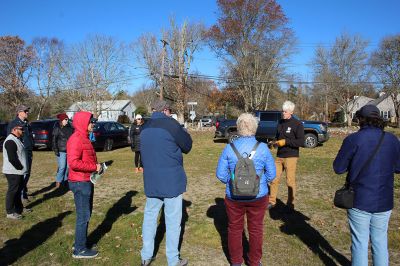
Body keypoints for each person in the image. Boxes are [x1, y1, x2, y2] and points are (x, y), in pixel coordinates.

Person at [333, 105, 400, 266]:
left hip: (359, 199)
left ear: (361, 120)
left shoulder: (353, 139)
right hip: (384, 199)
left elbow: (338, 168)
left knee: (359, 243)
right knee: (380, 242)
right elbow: (398, 167)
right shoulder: (392, 139)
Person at [216, 113, 276, 266]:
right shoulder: (263, 148)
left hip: (234, 197)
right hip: (259, 195)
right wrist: (261, 182)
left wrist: (234, 182)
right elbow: (272, 174)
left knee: (234, 229)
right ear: (255, 128)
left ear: (238, 128)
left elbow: (221, 175)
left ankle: (236, 262)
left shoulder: (229, 148)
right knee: (256, 229)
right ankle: (255, 261)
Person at [140, 100, 192, 266]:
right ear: (166, 111)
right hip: (171, 181)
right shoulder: (172, 125)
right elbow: (187, 145)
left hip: (151, 180)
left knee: (149, 217)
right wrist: (183, 130)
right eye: (169, 111)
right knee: (173, 221)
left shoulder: (145, 127)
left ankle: (146, 256)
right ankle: (172, 259)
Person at [67, 111, 101, 259]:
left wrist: (97, 167)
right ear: (82, 122)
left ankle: (79, 242)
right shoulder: (76, 139)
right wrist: (94, 167)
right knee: (83, 216)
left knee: (85, 215)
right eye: (91, 121)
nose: (93, 124)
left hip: (86, 180)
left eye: (93, 121)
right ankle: (79, 250)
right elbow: (73, 163)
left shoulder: (85, 138)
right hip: (80, 182)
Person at [268, 100, 304, 211]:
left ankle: (290, 204)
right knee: (274, 178)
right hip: (279, 156)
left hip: (291, 156)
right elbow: (277, 137)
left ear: (291, 112)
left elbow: (301, 142)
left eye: (285, 111)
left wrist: (286, 142)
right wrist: (273, 143)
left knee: (290, 181)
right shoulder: (280, 123)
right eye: (282, 111)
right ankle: (272, 201)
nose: (283, 113)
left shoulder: (297, 124)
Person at [7, 104, 34, 202]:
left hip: (29, 150)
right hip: (21, 152)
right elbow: (11, 140)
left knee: (27, 173)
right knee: (23, 174)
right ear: (19, 112)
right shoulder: (13, 124)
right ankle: (21, 195)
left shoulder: (27, 123)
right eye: (25, 111)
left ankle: (24, 192)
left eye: (27, 111)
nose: (27, 112)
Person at [2, 122, 28, 219]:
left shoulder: (17, 139)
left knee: (18, 190)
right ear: (14, 129)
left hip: (18, 171)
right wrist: (20, 167)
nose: (23, 131)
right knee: (13, 191)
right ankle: (10, 212)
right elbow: (12, 158)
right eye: (21, 129)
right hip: (13, 171)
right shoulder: (10, 141)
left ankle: (19, 208)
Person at [52, 113, 73, 188]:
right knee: (62, 167)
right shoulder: (57, 128)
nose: (67, 121)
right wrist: (56, 150)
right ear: (61, 120)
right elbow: (54, 140)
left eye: (67, 119)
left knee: (68, 167)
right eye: (65, 119)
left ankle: (65, 181)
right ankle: (58, 182)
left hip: (69, 151)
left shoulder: (70, 128)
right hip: (61, 150)